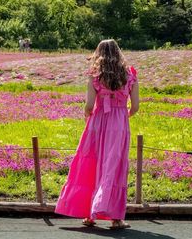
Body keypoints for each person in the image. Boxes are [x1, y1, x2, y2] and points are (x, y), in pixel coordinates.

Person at [55, 39, 139, 229]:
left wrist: (89, 117)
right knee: (114, 167)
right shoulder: (130, 74)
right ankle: (116, 219)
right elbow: (135, 107)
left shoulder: (95, 76)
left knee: (90, 163)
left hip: (97, 122)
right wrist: (122, 116)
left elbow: (88, 105)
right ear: (119, 53)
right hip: (119, 123)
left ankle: (89, 215)